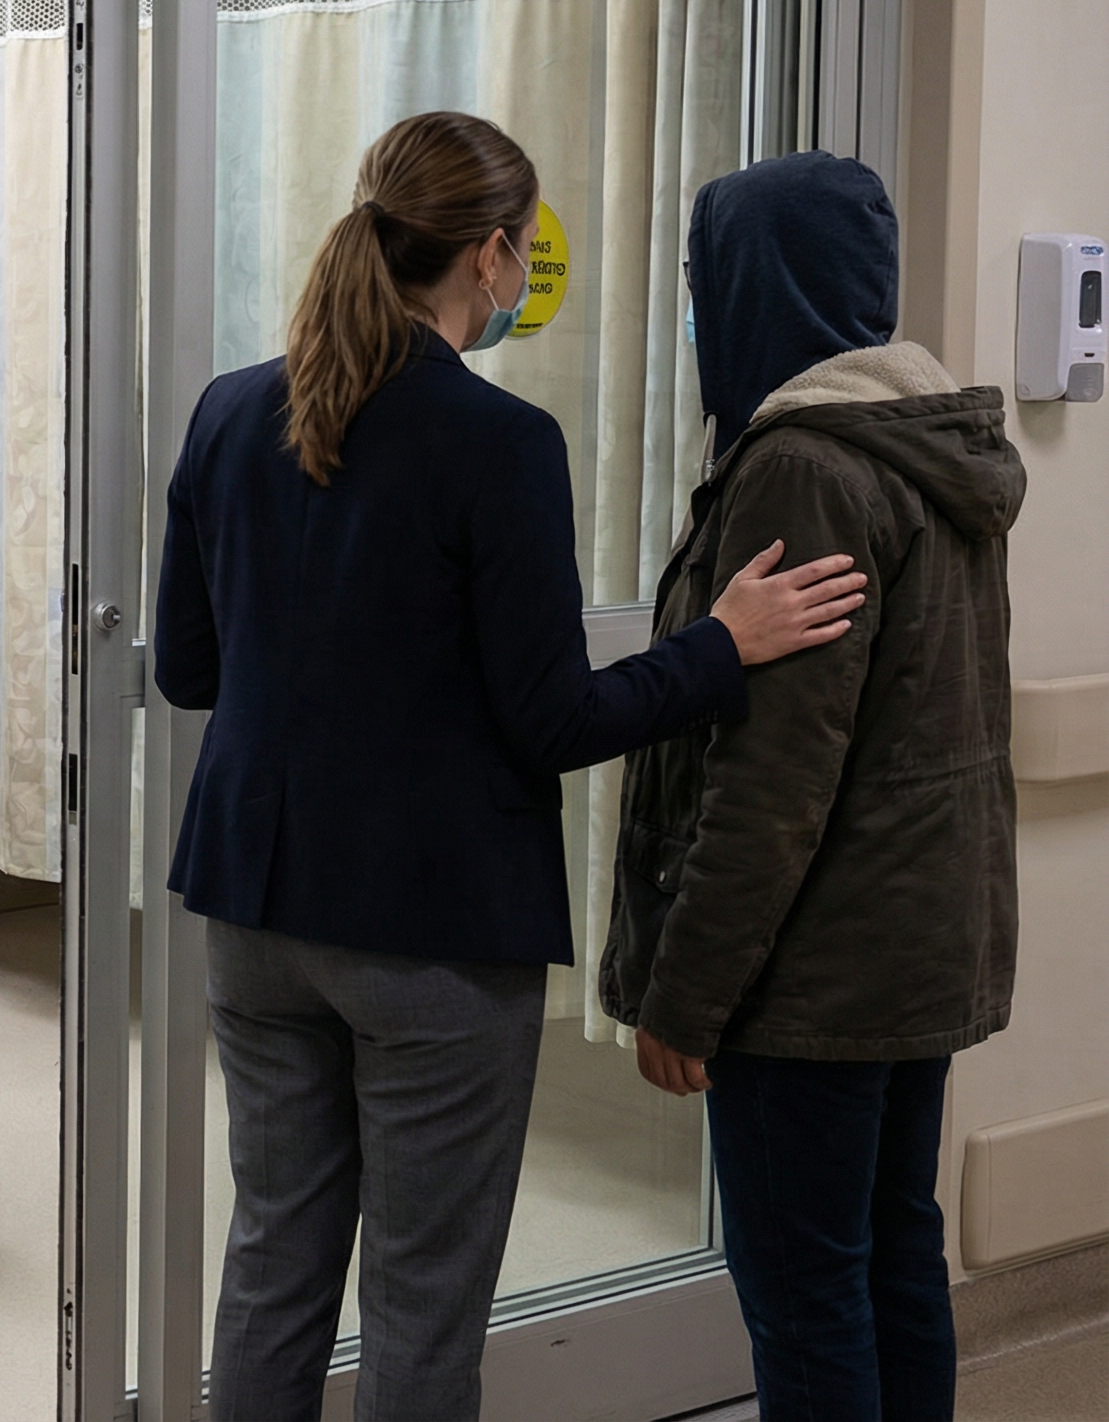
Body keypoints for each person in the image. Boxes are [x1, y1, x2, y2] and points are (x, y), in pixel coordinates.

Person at [150, 112, 871, 1420]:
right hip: (429, 938)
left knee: (271, 1274)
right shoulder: (498, 445)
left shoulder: (231, 410)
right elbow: (552, 721)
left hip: (256, 915)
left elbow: (191, 673)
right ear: (492, 256)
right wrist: (723, 645)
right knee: (421, 1312)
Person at [600, 152, 1023, 1422]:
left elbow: (775, 777)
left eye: (700, 279)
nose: (693, 309)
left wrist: (685, 994)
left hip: (814, 976)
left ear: (755, 283)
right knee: (894, 1254)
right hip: (916, 948)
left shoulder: (803, 465)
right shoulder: (928, 436)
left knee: (807, 1293)